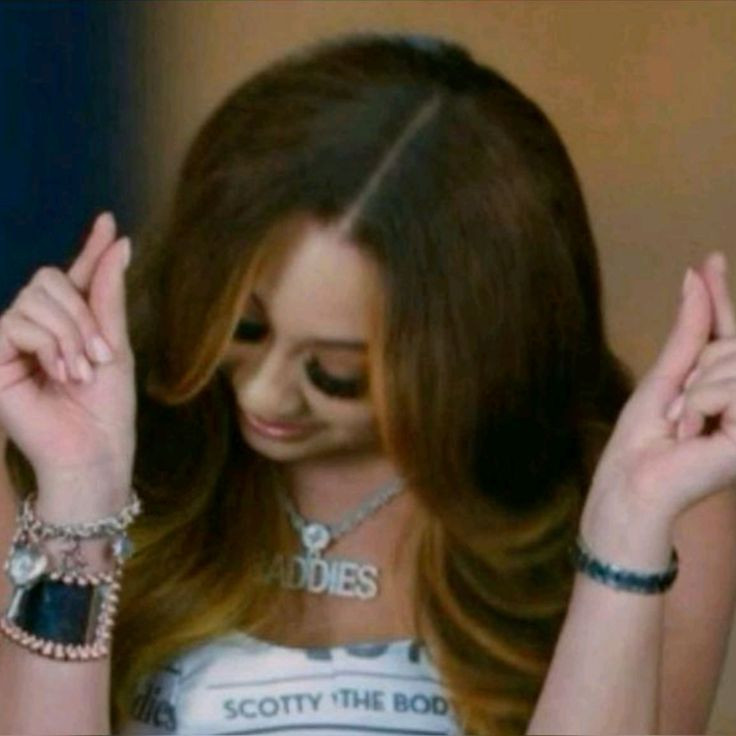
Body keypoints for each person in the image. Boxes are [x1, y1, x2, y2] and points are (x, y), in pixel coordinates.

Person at [0, 30, 735, 736]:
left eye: (335, 373)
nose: (263, 395)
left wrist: (624, 531)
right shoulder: (64, 457)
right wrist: (79, 497)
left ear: (472, 356)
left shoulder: (658, 508)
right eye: (243, 330)